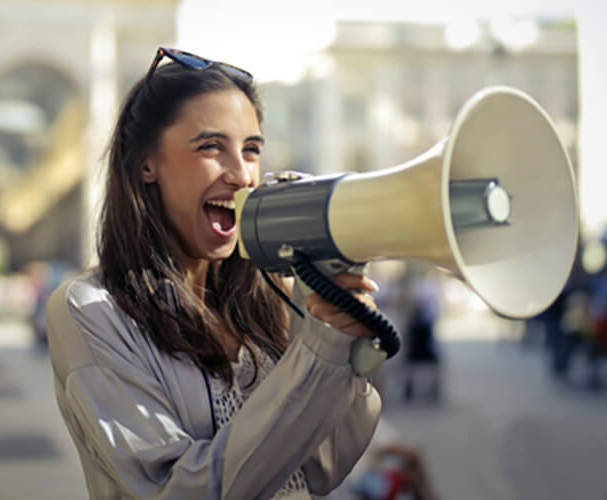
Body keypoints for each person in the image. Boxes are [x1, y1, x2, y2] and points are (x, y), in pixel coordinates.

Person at [45, 48, 383, 499]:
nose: (242, 175)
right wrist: (317, 356)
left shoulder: (273, 295)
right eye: (211, 147)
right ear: (147, 163)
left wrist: (344, 348)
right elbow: (182, 490)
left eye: (251, 150)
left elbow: (325, 464)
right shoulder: (90, 311)